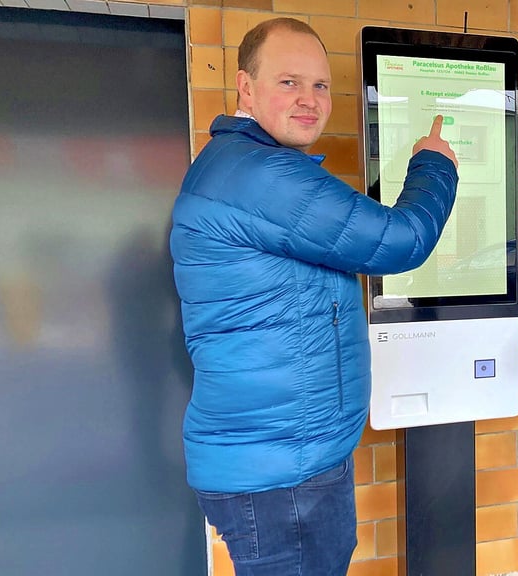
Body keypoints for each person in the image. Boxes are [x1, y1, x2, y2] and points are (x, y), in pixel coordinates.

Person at [169, 17, 458, 576]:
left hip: (281, 460)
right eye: (289, 82)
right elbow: (402, 240)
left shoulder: (242, 168)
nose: (309, 100)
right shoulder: (261, 177)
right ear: (244, 87)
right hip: (282, 477)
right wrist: (435, 164)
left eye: (320, 85)